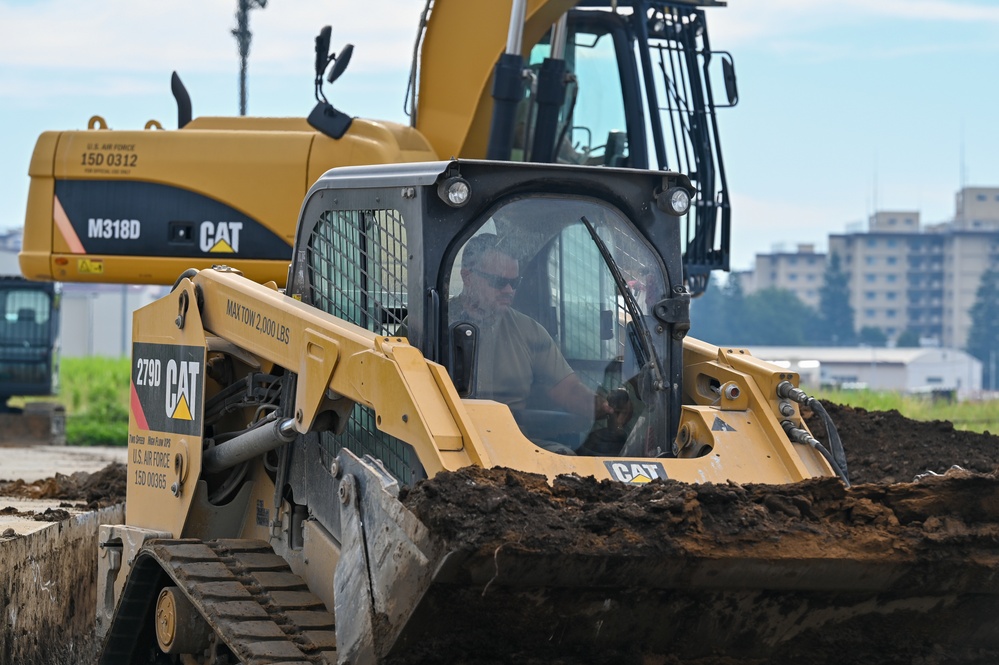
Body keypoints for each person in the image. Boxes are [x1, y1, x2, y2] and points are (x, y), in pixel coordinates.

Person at [450, 234, 625, 452]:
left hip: (514, 444)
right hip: (448, 442)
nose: (508, 291)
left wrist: (603, 406)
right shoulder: (431, 325)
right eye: (499, 282)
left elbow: (568, 389)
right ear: (468, 277)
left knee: (565, 459)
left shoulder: (528, 331)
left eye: (514, 283)